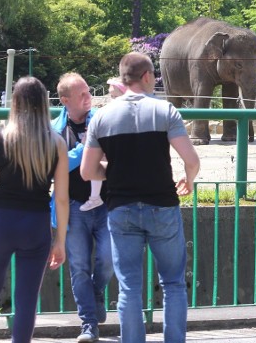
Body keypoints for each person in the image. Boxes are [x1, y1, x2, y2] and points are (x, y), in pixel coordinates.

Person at [81, 52, 200, 343]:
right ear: (146, 76)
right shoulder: (166, 111)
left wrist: (115, 171)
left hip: (121, 209)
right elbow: (192, 160)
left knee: (129, 287)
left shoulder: (102, 117)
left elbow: (87, 171)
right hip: (162, 207)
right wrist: (189, 178)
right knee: (172, 284)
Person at [0, 76, 69, 343]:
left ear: (15, 102)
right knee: (27, 296)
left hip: (0, 222)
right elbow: (61, 200)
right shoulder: (56, 143)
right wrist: (60, 240)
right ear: (44, 103)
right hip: (36, 225)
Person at [52, 73, 113, 343]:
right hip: (74, 206)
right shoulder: (54, 131)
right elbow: (56, 166)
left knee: (109, 258)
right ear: (65, 101)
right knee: (77, 266)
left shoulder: (102, 120)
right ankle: (89, 324)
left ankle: (96, 291)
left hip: (107, 204)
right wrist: (82, 154)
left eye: (89, 92)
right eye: (82, 95)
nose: (89, 98)